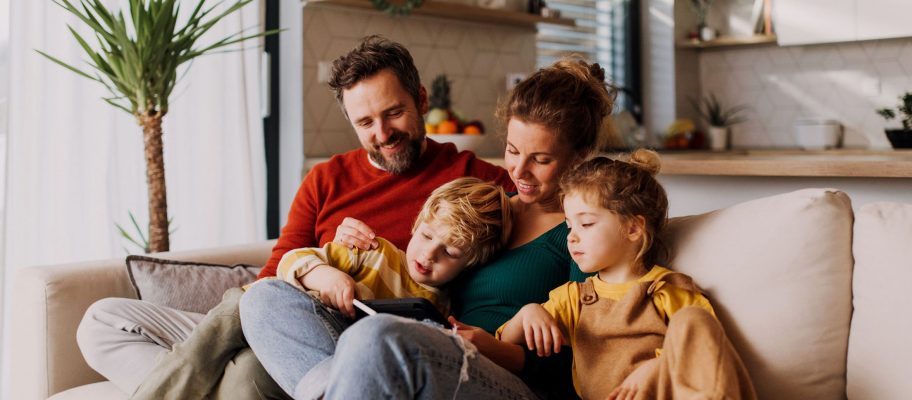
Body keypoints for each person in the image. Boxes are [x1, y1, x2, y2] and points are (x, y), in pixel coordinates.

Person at [75, 35, 513, 398]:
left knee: (247, 377)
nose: (382, 134)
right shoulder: (326, 179)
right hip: (278, 305)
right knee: (101, 321)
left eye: (394, 113)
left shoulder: (475, 179)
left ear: (419, 100)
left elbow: (547, 213)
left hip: (340, 336)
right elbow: (275, 270)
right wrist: (314, 272)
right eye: (365, 122)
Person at [240, 57, 614, 399]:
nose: (518, 171)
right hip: (430, 352)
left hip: (509, 379)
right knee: (263, 299)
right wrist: (337, 258)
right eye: (513, 151)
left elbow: (592, 364)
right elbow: (418, 267)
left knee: (376, 336)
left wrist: (497, 346)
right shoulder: (486, 205)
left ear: (579, 157)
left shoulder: (584, 232)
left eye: (542, 159)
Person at [497, 150, 757, 400]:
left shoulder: (669, 291)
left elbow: (709, 354)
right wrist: (529, 311)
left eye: (586, 224)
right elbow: (506, 338)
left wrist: (658, 367)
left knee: (693, 319)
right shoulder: (573, 298)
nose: (571, 237)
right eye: (569, 225)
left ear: (633, 228)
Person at [274, 177, 512, 320]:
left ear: (469, 265)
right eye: (427, 235)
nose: (429, 255)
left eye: (449, 253)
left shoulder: (446, 309)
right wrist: (328, 278)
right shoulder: (374, 252)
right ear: (416, 225)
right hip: (292, 311)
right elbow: (289, 261)